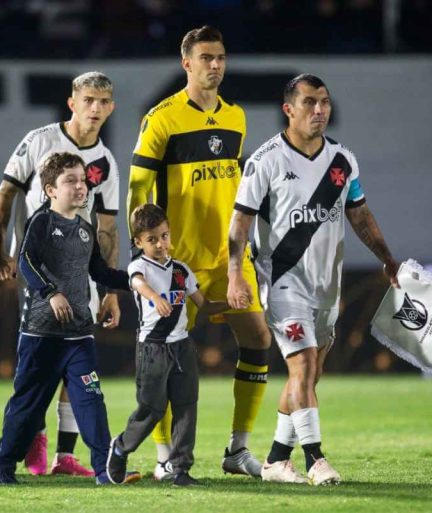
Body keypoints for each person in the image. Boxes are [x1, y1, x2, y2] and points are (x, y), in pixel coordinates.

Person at [227, 73, 399, 486]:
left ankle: (274, 460)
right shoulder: (265, 161)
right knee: (302, 364)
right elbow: (239, 225)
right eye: (309, 102)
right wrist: (235, 274)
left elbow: (359, 214)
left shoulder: (342, 161)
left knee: (308, 376)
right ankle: (316, 459)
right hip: (283, 282)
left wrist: (387, 258)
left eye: (324, 102)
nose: (319, 110)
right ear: (288, 109)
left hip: (327, 286)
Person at [127, 25, 271, 479]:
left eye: (221, 57)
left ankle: (237, 449)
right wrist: (146, 254)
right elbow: (138, 185)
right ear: (185, 63)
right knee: (163, 362)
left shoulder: (236, 117)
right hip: (177, 261)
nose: (215, 65)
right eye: (206, 57)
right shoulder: (162, 118)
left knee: (258, 341)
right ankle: (164, 457)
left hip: (229, 258)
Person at [0, 71, 121, 477]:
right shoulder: (41, 143)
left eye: (103, 101)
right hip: (40, 283)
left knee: (85, 386)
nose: (95, 108)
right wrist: (1, 254)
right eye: (88, 100)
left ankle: (80, 459)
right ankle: (25, 446)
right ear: (72, 102)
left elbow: (107, 234)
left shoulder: (105, 166)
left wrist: (120, 286)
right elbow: (5, 194)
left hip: (79, 282)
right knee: (34, 385)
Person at [0, 152, 138, 486]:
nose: (80, 186)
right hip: (41, 335)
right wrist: (50, 292)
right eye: (70, 180)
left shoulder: (86, 227)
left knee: (91, 400)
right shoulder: (41, 222)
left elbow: (99, 271)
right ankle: (2, 461)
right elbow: (25, 262)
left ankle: (104, 470)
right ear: (50, 190)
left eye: (83, 179)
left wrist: (135, 279)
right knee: (29, 405)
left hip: (79, 336)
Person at [106, 204, 230, 486]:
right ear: (139, 242)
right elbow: (137, 284)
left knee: (187, 407)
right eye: (152, 239)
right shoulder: (139, 266)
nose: (160, 244)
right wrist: (155, 298)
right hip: (153, 349)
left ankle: (180, 469)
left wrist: (230, 304)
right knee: (152, 409)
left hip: (182, 347)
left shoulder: (181, 271)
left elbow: (205, 305)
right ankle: (121, 447)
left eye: (164, 236)